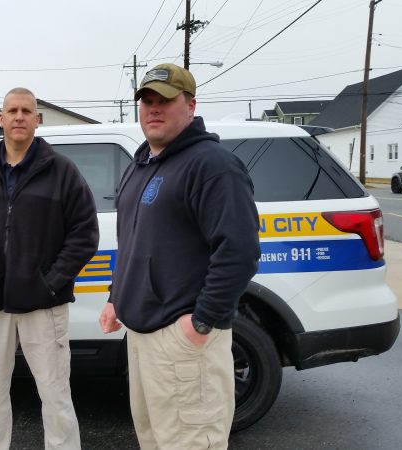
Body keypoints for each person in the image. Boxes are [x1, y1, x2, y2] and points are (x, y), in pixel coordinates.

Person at [99, 63, 260, 449]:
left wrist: (202, 322)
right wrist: (115, 296)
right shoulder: (142, 165)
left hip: (182, 338)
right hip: (141, 335)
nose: (154, 109)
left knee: (191, 442)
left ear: (190, 106)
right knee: (155, 439)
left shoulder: (212, 165)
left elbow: (239, 252)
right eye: (147, 101)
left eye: (165, 101)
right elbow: (135, 242)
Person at [0, 87, 99, 450]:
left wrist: (50, 283)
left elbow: (84, 234)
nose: (19, 116)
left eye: (26, 111)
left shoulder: (61, 171)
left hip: (43, 306)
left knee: (55, 395)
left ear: (36, 120)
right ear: (1, 120)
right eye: (12, 110)